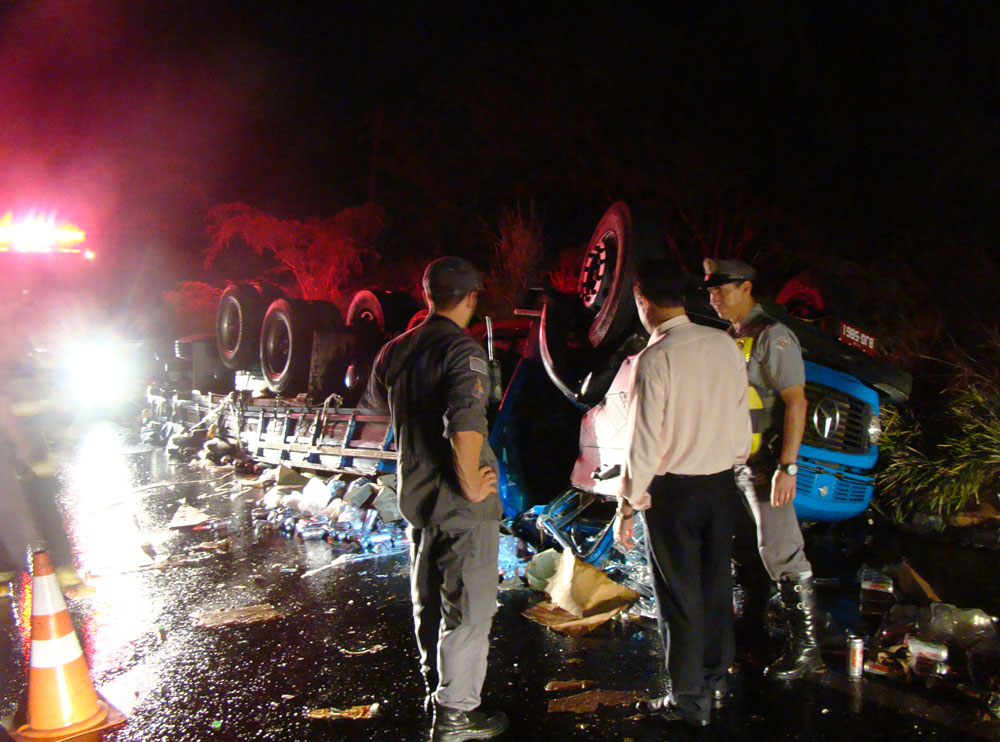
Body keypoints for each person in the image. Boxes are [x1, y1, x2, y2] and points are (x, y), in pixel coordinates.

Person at [362, 256, 508, 742]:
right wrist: (471, 485)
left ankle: (435, 688)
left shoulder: (394, 350)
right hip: (460, 504)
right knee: (468, 608)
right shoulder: (462, 351)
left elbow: (380, 407)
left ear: (428, 295)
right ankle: (457, 715)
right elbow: (465, 425)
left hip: (418, 496)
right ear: (471, 297)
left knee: (428, 600)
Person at [615, 258, 751, 727]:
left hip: (673, 492)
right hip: (721, 484)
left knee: (679, 594)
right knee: (715, 584)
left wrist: (628, 503)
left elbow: (643, 442)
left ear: (643, 301)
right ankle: (715, 680)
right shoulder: (723, 345)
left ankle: (689, 699)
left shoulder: (656, 358)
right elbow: (741, 421)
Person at [704, 257, 821, 681]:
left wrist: (787, 467)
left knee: (781, 549)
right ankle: (750, 631)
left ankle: (807, 648)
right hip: (734, 466)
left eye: (721, 290)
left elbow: (796, 402)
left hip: (766, 467)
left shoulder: (774, 336)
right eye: (710, 291)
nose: (714, 299)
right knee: (745, 551)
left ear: (747, 288)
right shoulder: (729, 338)